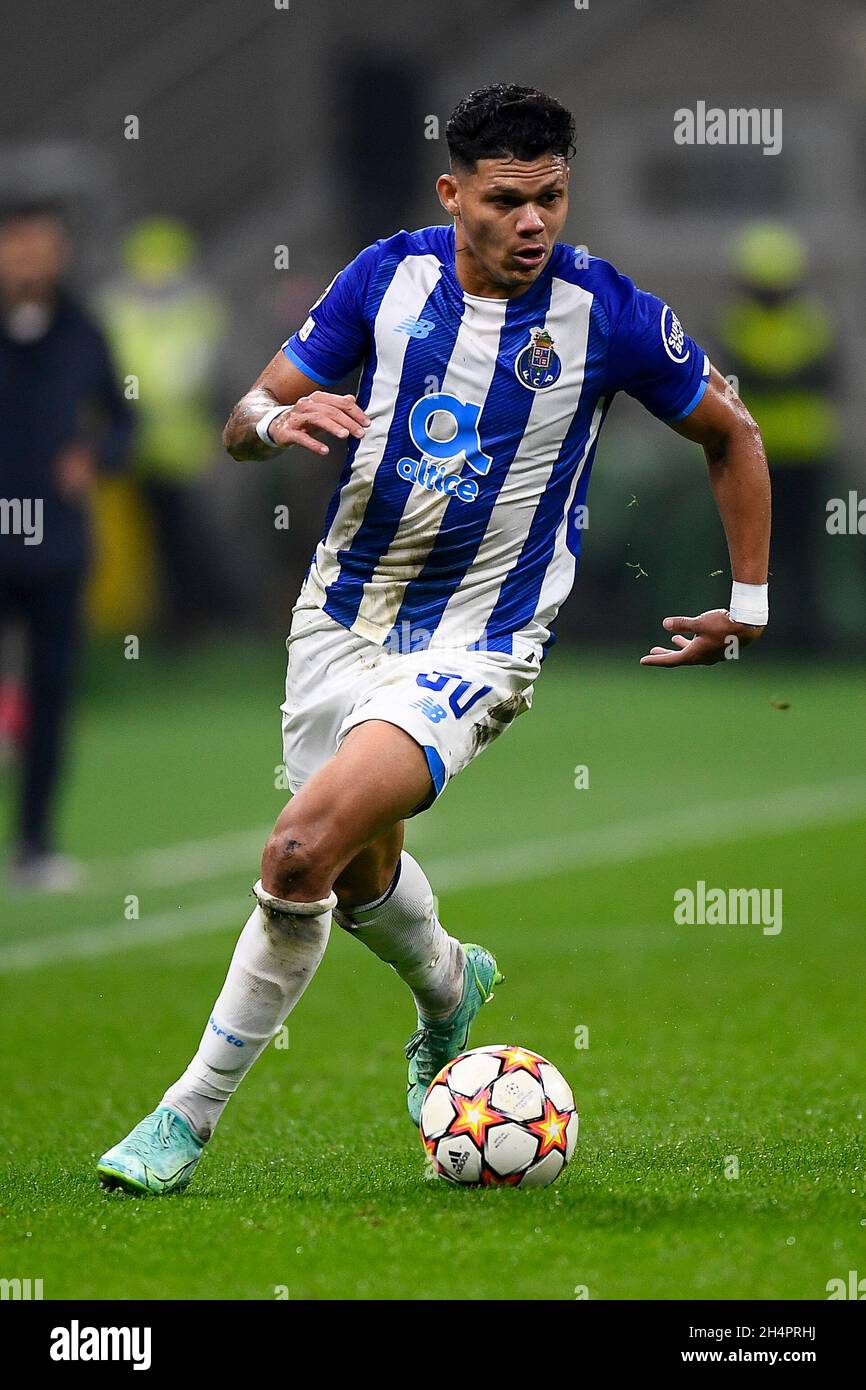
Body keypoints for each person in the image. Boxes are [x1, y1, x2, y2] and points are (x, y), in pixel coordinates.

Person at [98, 85, 770, 1194]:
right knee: (357, 870)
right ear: (451, 193)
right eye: (506, 200)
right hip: (338, 618)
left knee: (296, 852)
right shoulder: (383, 278)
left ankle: (184, 1119)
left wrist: (744, 606)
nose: (532, 223)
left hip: (480, 642)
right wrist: (278, 422)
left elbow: (730, 433)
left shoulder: (605, 313)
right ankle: (450, 984)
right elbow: (240, 422)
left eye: (550, 197)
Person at [0, 202, 133, 891]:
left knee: (51, 697)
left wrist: (96, 456)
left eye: (42, 247)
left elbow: (123, 422)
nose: (29, 259)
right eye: (17, 246)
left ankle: (35, 844)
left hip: (54, 543)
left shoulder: (84, 331)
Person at [100, 217, 230, 644]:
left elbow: (207, 376)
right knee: (146, 544)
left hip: (179, 452)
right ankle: (159, 627)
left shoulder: (135, 308)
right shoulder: (125, 308)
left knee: (181, 542)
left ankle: (183, 627)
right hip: (136, 449)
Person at [717, 222, 839, 645]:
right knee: (753, 551)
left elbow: (828, 377)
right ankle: (751, 630)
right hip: (754, 456)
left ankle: (805, 636)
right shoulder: (741, 323)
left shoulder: (808, 322)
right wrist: (787, 377)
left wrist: (770, 377)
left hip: (801, 451)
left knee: (801, 552)